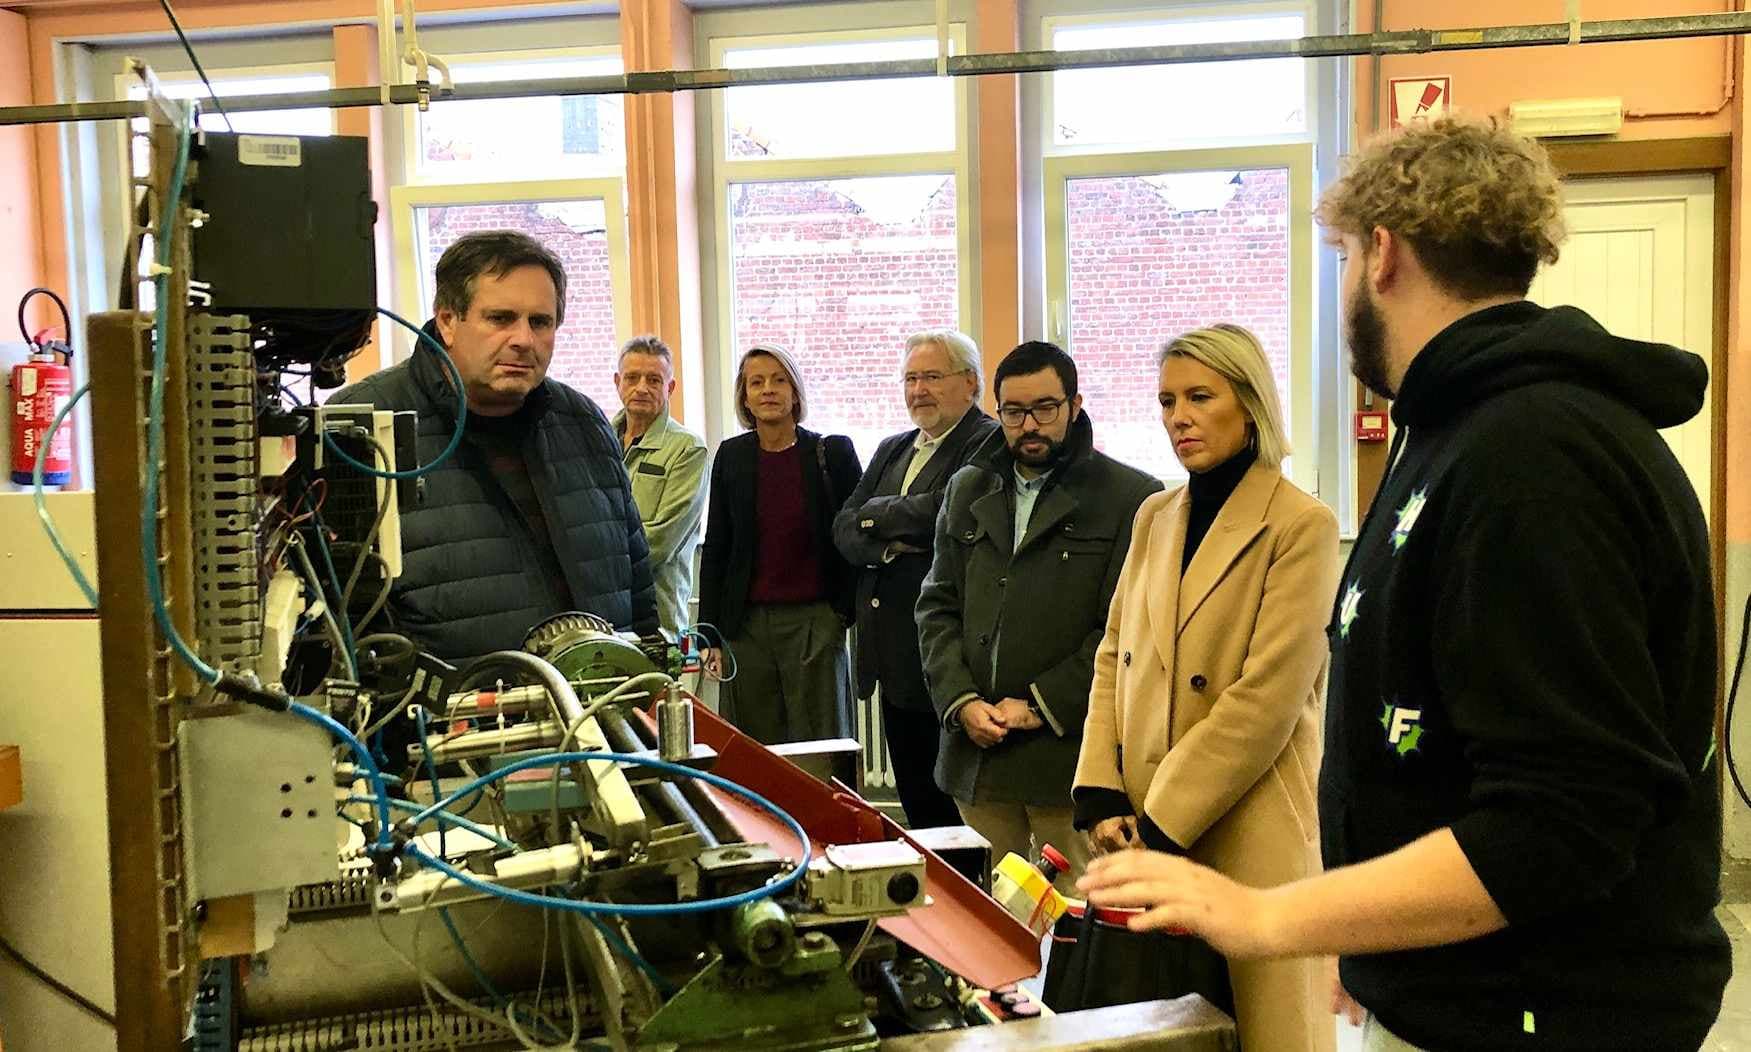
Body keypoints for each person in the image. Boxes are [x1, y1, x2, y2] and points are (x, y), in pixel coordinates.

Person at [1078, 116, 1730, 1052]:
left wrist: (1271, 918)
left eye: (1341, 255)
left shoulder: (1531, 454)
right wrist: (1369, 937)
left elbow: (1561, 821)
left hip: (1538, 1009)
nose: (1345, 283)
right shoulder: (1455, 428)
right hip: (1455, 986)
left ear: (1382, 254)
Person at [1071, 324, 1338, 1051]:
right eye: (1164, 401)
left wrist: (1160, 821)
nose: (1177, 417)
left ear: (1248, 404)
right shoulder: (1155, 515)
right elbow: (1113, 654)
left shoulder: (1301, 525)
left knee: (1259, 1025)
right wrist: (1099, 789)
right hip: (1141, 818)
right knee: (1155, 1027)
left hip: (1246, 819)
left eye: (1198, 396)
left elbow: (1265, 699)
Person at [334, 230, 655, 663]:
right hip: (443, 724)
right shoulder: (362, 428)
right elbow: (340, 624)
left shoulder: (585, 424)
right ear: (447, 321)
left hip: (600, 717)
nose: (523, 339)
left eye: (540, 322)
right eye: (501, 318)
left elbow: (636, 591)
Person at [917, 341, 1161, 892]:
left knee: (1076, 918)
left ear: (1075, 405)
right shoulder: (968, 486)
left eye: (1045, 409)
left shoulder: (1131, 497)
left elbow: (1120, 634)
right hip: (977, 754)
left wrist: (1036, 707)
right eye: (1013, 411)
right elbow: (937, 604)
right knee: (988, 917)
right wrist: (961, 703)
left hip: (1067, 759)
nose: (1029, 425)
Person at [833, 330, 1000, 830]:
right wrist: (888, 540)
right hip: (888, 653)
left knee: (954, 813)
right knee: (915, 803)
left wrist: (875, 514)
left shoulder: (988, 439)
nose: (917, 390)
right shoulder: (893, 448)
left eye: (931, 377)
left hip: (947, 658)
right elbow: (844, 526)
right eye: (910, 378)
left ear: (970, 383)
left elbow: (948, 512)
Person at [697, 345, 862, 744]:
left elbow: (860, 537)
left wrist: (842, 613)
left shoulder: (832, 453)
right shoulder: (732, 456)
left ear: (795, 392)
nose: (768, 389)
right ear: (745, 396)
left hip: (815, 622)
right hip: (747, 627)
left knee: (821, 744)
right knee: (756, 749)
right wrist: (709, 634)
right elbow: (717, 545)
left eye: (779, 379)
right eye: (757, 382)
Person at [612, 335, 708, 641]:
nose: (641, 387)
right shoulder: (597, 441)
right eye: (632, 377)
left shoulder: (688, 450)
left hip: (657, 620)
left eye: (654, 379)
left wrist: (595, 570)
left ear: (670, 388)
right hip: (602, 619)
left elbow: (660, 542)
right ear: (618, 382)